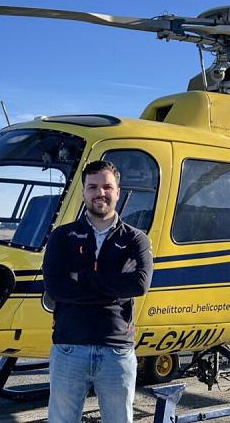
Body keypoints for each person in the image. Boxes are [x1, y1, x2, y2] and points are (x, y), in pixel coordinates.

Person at [43, 160, 154, 423]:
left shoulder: (136, 239)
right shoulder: (62, 237)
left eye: (107, 186)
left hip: (116, 350)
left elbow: (139, 284)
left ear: (118, 191)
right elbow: (55, 287)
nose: (99, 193)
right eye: (92, 187)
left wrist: (79, 277)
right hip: (70, 347)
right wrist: (116, 281)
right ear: (83, 191)